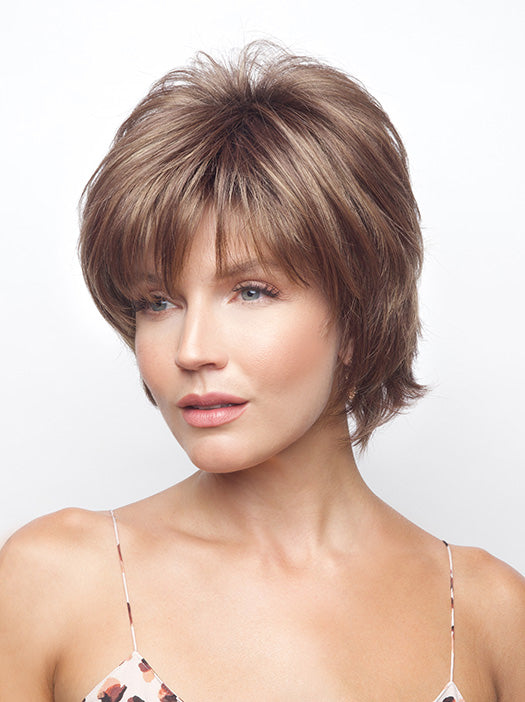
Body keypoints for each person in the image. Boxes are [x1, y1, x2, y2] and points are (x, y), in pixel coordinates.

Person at [0, 41, 523, 702]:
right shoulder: (53, 580)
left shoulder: (488, 615)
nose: (191, 349)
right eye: (157, 302)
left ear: (357, 316)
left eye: (250, 291)